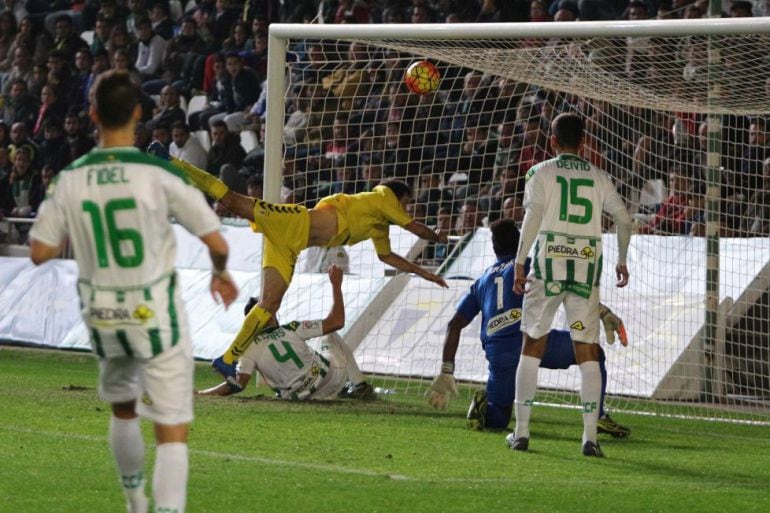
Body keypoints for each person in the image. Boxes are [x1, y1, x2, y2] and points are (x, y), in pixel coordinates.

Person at [28, 70, 239, 513]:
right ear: (139, 114)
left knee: (123, 408)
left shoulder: (71, 176)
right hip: (152, 311)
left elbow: (41, 251)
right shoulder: (156, 172)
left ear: (92, 114)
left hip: (102, 314)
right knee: (172, 429)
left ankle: (133, 502)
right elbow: (217, 241)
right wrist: (220, 273)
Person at [147, 141, 449, 387]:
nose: (406, 208)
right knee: (229, 199)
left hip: (290, 246)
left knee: (269, 303)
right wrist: (438, 237)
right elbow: (412, 226)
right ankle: (170, 162)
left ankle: (227, 359)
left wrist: (425, 273)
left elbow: (387, 256)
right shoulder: (383, 196)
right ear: (399, 196)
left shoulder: (377, 225)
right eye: (406, 202)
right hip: (293, 221)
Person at [426, 219, 630, 438]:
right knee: (594, 353)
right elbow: (566, 286)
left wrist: (447, 370)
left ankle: (483, 407)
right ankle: (597, 417)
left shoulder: (482, 281)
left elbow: (454, 325)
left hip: (498, 351)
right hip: (530, 342)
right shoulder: (530, 265)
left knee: (497, 420)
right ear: (522, 241)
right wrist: (603, 312)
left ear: (494, 248)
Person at [509, 112, 633, 457]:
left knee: (533, 341)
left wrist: (520, 262)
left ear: (552, 140)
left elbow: (533, 216)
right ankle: (590, 438)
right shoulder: (598, 176)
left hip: (550, 268)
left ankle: (521, 433)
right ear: (584, 143)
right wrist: (622, 259)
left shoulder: (540, 172)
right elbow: (624, 219)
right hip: (584, 272)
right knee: (585, 347)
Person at [198, 266, 377, 401]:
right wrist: (336, 285)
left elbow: (237, 386)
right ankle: (360, 385)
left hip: (301, 397)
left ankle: (347, 388)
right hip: (330, 379)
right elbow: (337, 321)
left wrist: (201, 394)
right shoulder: (291, 328)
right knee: (328, 336)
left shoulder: (248, 347)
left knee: (314, 349)